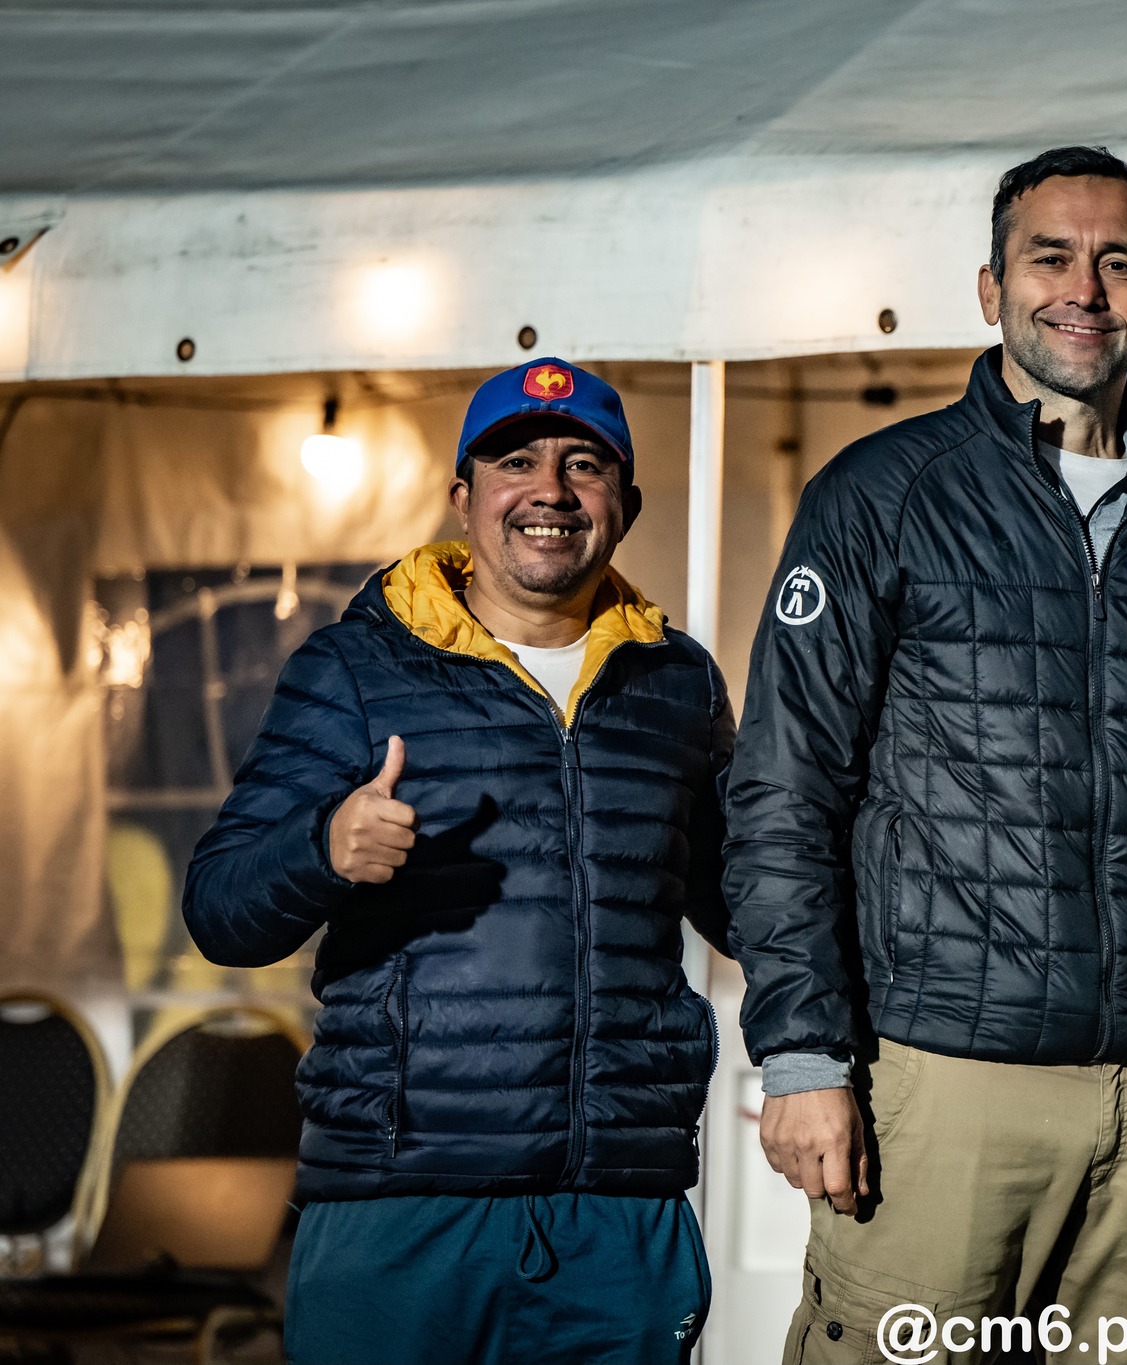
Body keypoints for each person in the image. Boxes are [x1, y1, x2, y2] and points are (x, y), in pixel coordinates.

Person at [723, 145, 1127, 1364]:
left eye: (1118, 263)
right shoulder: (882, 495)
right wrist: (800, 1055)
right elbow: (783, 792)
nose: (1084, 289)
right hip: (942, 1089)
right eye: (1048, 257)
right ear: (991, 288)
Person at [184, 359, 731, 1365]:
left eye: (584, 465)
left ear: (627, 502)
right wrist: (323, 849)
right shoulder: (354, 669)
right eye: (514, 461)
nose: (550, 492)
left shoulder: (675, 683)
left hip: (619, 1211)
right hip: (404, 1206)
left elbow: (744, 901)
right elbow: (221, 908)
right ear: (463, 497)